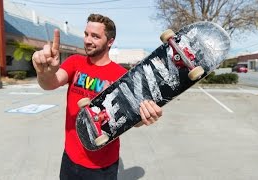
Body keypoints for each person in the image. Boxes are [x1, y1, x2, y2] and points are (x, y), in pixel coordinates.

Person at [31, 13, 162, 180]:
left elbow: (131, 120)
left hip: (102, 167)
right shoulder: (75, 62)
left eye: (95, 36)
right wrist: (44, 73)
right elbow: (50, 83)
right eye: (86, 34)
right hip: (70, 158)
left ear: (110, 42)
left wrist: (144, 117)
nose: (87, 40)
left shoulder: (122, 76)